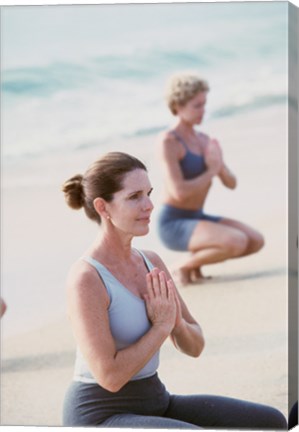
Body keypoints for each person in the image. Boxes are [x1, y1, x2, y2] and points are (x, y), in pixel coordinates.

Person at [61, 151, 286, 429]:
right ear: (103, 207)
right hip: (100, 415)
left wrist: (175, 322)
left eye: (149, 193)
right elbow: (110, 377)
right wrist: (160, 327)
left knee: (270, 422)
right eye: (135, 197)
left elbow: (196, 346)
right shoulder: (86, 277)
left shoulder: (151, 262)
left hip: (156, 401)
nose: (149, 205)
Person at [157, 72, 265, 285]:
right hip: (174, 223)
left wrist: (219, 167)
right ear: (178, 106)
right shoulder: (169, 141)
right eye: (197, 106)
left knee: (255, 241)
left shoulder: (204, 140)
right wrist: (210, 171)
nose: (203, 111)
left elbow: (231, 183)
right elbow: (179, 191)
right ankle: (179, 268)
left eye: (204, 105)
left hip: (197, 217)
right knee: (237, 241)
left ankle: (193, 266)